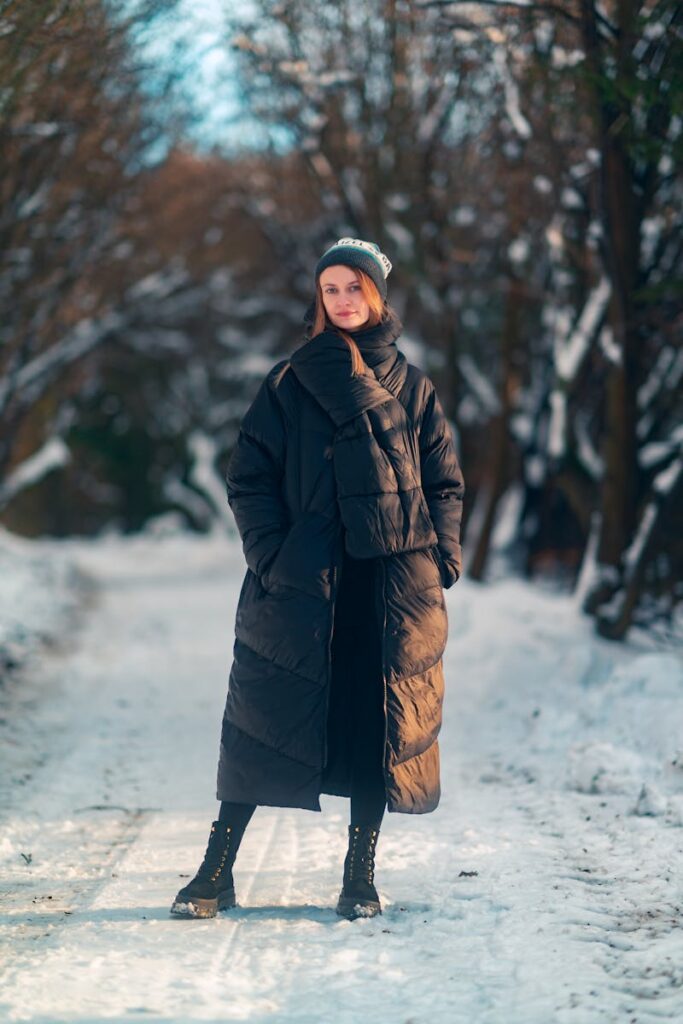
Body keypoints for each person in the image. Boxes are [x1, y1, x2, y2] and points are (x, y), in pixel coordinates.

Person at [171, 237, 465, 920]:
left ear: (377, 293)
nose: (342, 299)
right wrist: (273, 556)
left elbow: (444, 483)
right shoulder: (288, 382)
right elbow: (248, 478)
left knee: (374, 725)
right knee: (262, 724)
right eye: (330, 289)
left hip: (388, 586)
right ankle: (215, 871)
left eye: (353, 286)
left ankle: (359, 876)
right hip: (305, 580)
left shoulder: (414, 386)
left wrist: (441, 559)